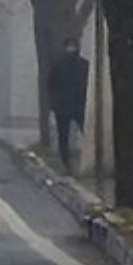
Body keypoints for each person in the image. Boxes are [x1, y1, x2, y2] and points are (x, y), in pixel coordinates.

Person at [47, 38, 90, 172]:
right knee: (67, 135)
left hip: (69, 105)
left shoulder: (58, 64)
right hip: (74, 105)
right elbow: (51, 85)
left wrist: (53, 102)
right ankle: (69, 163)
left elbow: (50, 84)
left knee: (66, 136)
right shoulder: (83, 65)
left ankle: (69, 164)